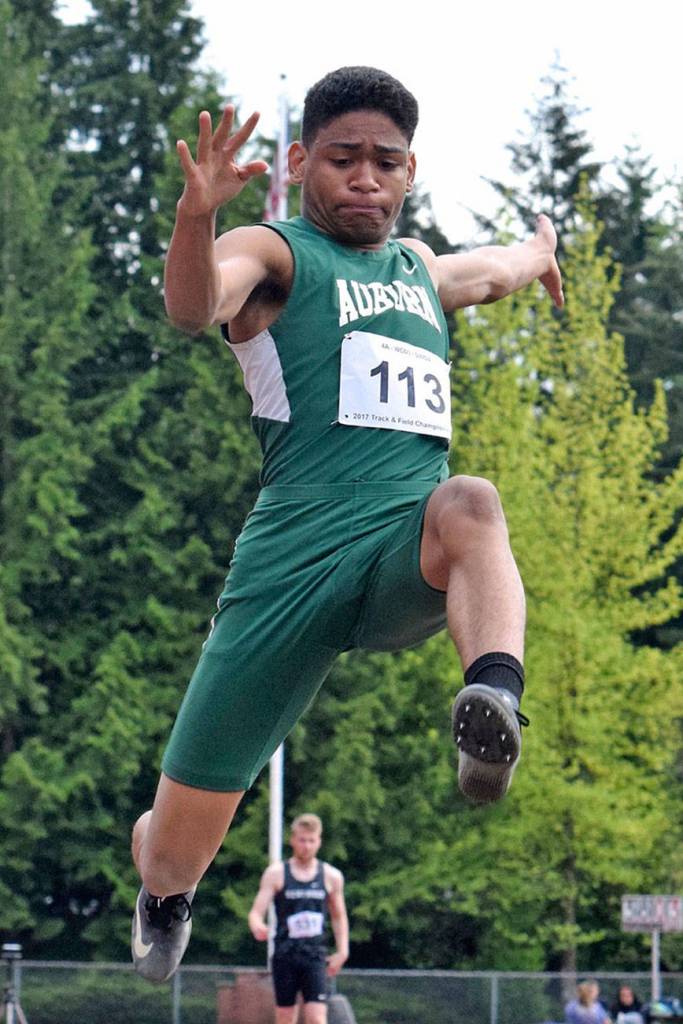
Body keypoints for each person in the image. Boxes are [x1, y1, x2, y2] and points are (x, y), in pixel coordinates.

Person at [130, 65, 564, 983]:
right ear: (299, 163)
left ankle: (491, 699)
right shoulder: (273, 253)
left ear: (410, 172)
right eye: (341, 159)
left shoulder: (418, 271)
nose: (364, 178)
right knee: (174, 850)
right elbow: (193, 305)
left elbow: (489, 274)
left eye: (385, 162)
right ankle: (163, 887)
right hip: (289, 567)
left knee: (472, 501)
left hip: (403, 551)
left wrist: (539, 250)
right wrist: (195, 216)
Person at [248, 813, 348, 1023]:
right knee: (285, 1017)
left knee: (317, 1017)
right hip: (285, 954)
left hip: (315, 955)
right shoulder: (276, 873)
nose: (307, 846)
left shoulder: (331, 876)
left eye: (311, 840)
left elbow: (339, 916)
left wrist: (342, 950)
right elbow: (256, 912)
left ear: (319, 841)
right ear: (293, 840)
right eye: (302, 840)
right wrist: (258, 926)